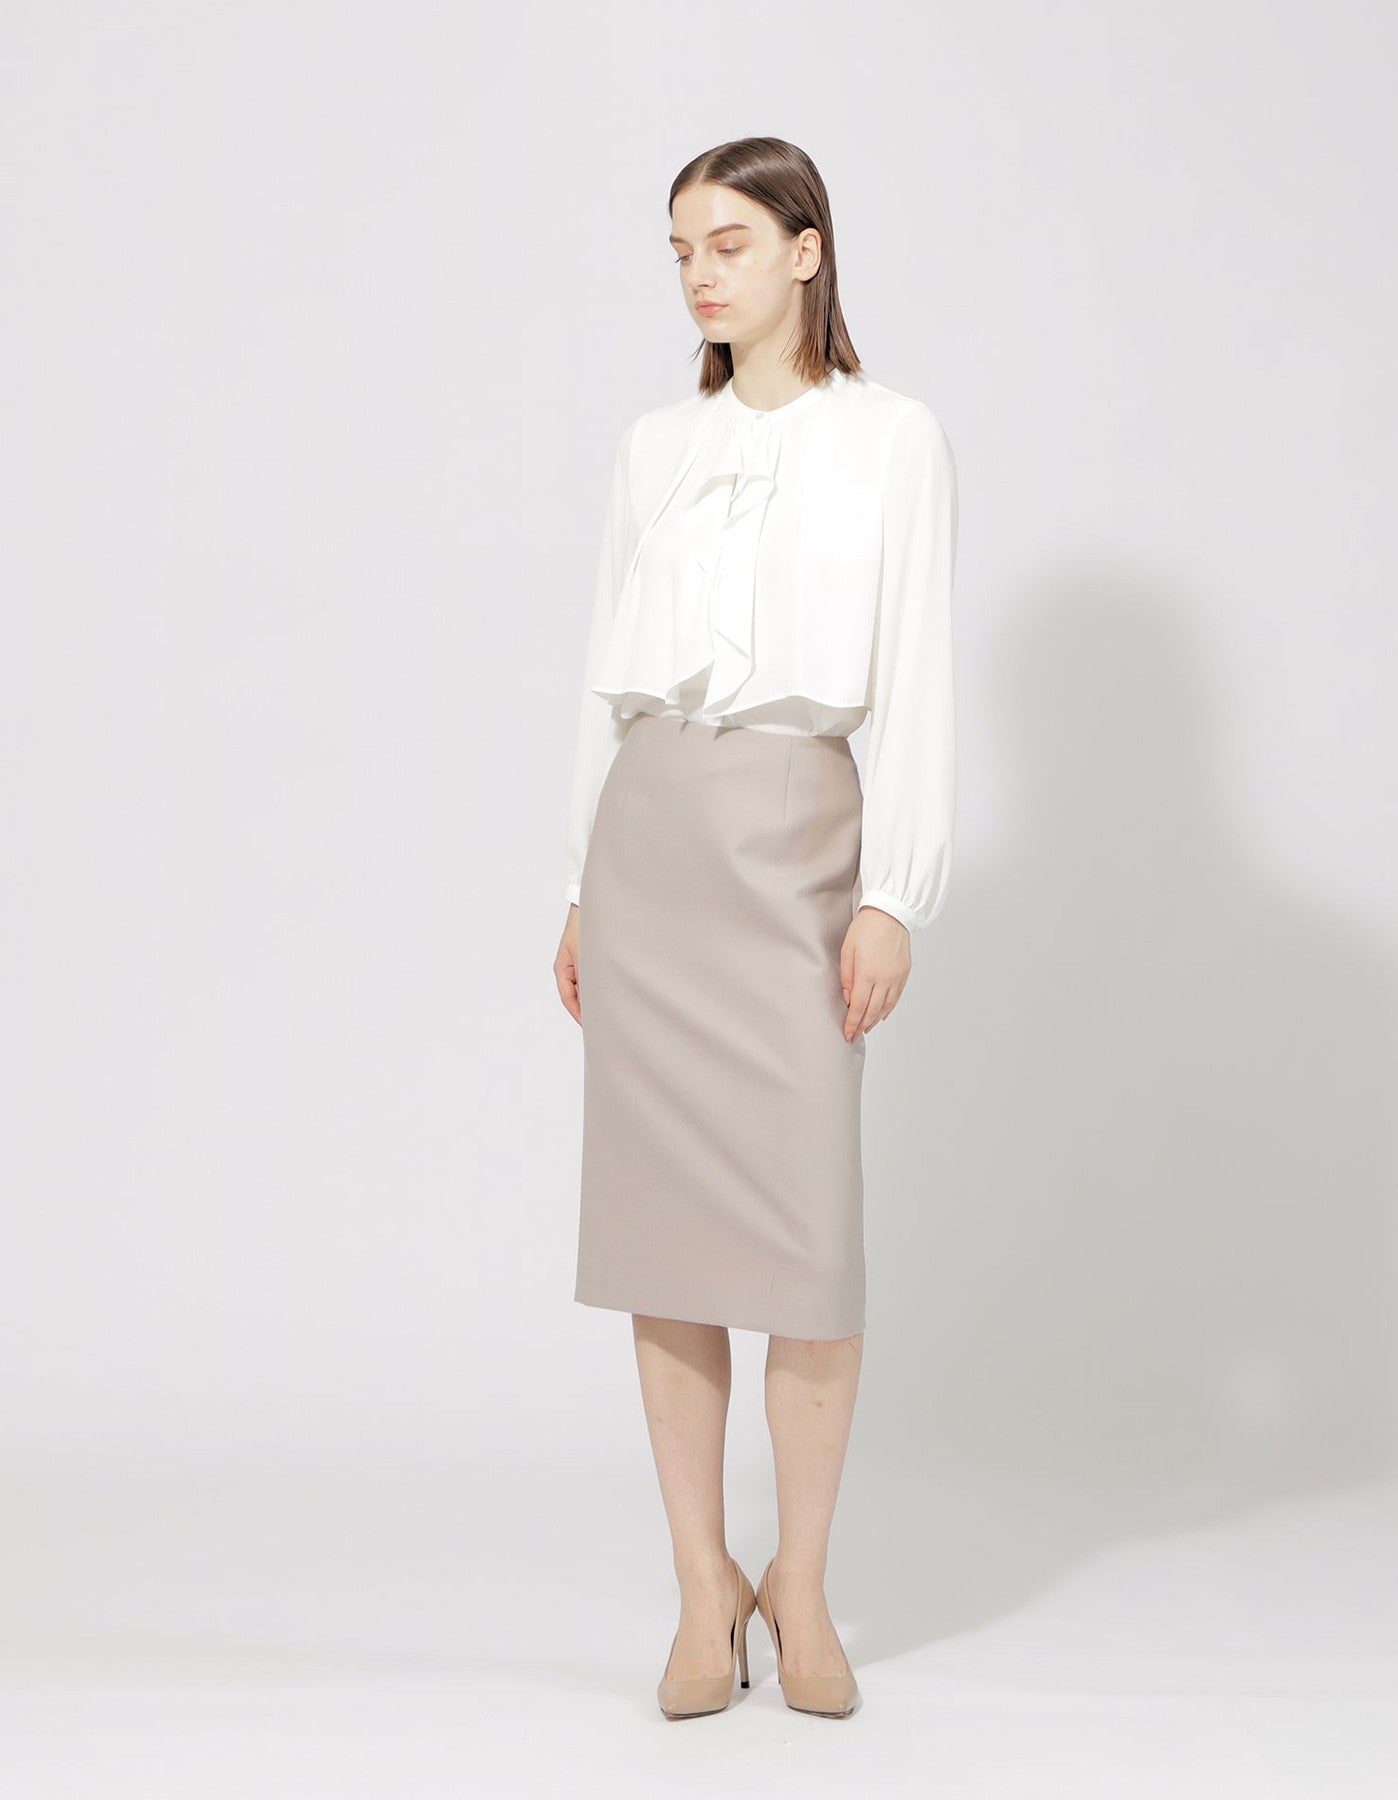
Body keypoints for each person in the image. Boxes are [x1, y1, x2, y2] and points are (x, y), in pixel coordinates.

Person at [552, 136, 958, 1719]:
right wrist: (575, 886)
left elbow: (916, 672)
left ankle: (804, 1578)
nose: (697, 273)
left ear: (806, 249)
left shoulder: (892, 438)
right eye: (678, 249)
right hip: (651, 842)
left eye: (726, 240)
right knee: (663, 1240)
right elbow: (603, 680)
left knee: (806, 1249)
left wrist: (893, 892)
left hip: (799, 837)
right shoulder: (656, 447)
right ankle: (700, 1587)